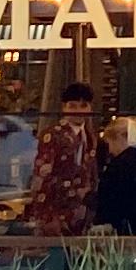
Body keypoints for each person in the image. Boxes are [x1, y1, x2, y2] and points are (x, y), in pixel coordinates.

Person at [25, 83, 105, 237]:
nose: (78, 111)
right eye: (72, 106)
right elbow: (42, 175)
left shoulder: (91, 136)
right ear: (64, 107)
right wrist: (46, 215)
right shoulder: (52, 135)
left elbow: (92, 173)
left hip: (83, 212)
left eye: (83, 106)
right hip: (55, 210)